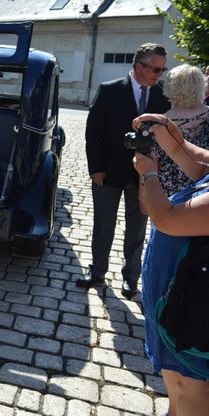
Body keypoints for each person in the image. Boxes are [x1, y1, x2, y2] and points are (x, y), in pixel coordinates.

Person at [79, 43, 170, 300]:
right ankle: (97, 271)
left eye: (163, 70)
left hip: (144, 177)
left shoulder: (163, 97)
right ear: (139, 67)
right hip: (107, 172)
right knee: (103, 225)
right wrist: (95, 167)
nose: (159, 75)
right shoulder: (109, 91)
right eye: (156, 69)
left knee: (137, 229)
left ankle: (131, 279)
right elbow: (93, 132)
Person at [133, 112, 209, 416]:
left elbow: (166, 218)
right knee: (176, 382)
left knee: (191, 386)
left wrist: (148, 174)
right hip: (179, 298)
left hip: (196, 310)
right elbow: (196, 160)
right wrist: (165, 131)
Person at [155, 64, 209, 196]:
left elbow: (151, 163)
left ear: (171, 87)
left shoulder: (160, 123)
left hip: (168, 196)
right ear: (201, 86)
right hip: (203, 193)